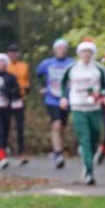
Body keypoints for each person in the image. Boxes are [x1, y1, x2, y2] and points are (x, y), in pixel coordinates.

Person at [61, 39, 105, 185]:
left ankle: (86, 158)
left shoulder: (99, 69)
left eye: (89, 52)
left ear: (93, 53)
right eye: (84, 52)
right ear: (79, 53)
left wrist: (100, 95)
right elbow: (63, 83)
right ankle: (89, 172)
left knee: (94, 137)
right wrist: (64, 98)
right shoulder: (72, 68)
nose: (86, 55)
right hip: (78, 107)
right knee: (85, 138)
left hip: (94, 108)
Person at [35, 38, 74, 169]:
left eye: (64, 48)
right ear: (54, 50)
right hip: (51, 99)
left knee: (62, 126)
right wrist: (42, 86)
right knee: (56, 125)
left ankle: (59, 149)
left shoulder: (72, 63)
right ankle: (58, 153)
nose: (61, 51)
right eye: (59, 48)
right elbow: (38, 74)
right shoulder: (47, 63)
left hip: (66, 99)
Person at [5, 44, 30, 165]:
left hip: (20, 98)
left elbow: (26, 81)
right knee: (5, 126)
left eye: (15, 52)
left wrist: (26, 89)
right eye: (11, 52)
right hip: (6, 99)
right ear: (7, 54)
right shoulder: (4, 65)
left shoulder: (24, 66)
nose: (13, 54)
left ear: (19, 54)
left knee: (20, 126)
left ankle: (21, 152)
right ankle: (3, 149)